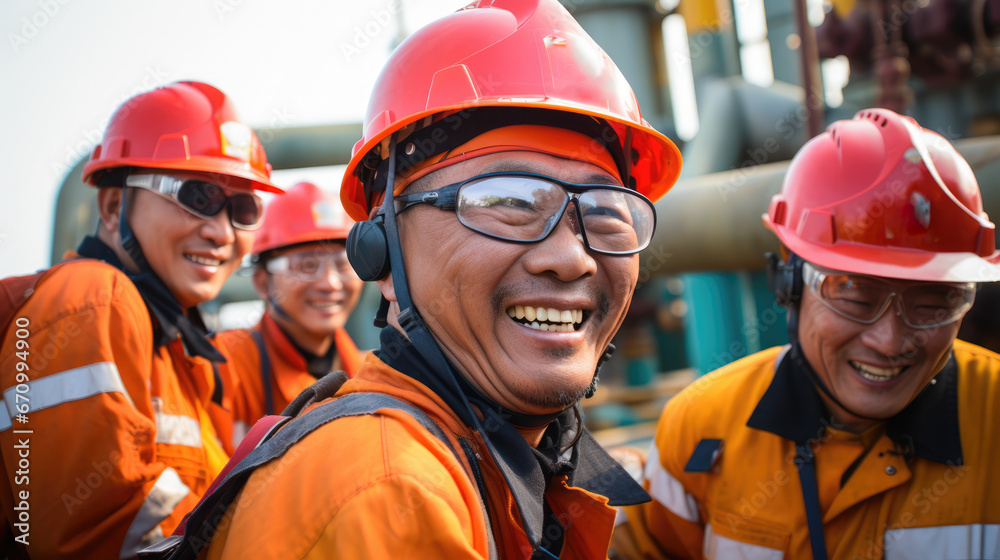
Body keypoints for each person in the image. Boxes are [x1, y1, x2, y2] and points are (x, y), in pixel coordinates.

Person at [199, 0, 682, 557]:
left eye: (605, 213)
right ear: (382, 253)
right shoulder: (389, 492)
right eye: (509, 201)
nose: (572, 259)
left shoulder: (508, 463)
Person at [616, 108, 1000, 559]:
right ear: (788, 280)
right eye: (856, 296)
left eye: (935, 303)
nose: (891, 341)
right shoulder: (701, 427)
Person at [0, 81, 281, 558]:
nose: (220, 231)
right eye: (198, 196)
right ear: (113, 206)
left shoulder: (180, 353)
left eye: (242, 209)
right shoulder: (94, 299)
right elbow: (102, 532)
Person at [210, 181, 365, 451]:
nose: (330, 283)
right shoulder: (222, 367)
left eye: (343, 264)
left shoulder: (372, 375)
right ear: (261, 282)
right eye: (307, 265)